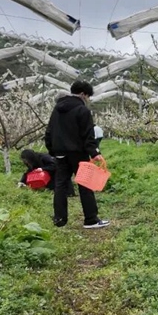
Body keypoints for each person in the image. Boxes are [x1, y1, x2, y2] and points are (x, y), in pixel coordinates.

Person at [45, 81, 110, 229]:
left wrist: (53, 150)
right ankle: (90, 220)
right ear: (82, 94)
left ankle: (59, 219)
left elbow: (49, 131)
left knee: (60, 185)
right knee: (85, 184)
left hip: (60, 153)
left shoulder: (57, 109)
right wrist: (94, 153)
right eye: (87, 96)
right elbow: (88, 134)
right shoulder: (82, 110)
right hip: (78, 153)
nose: (87, 99)